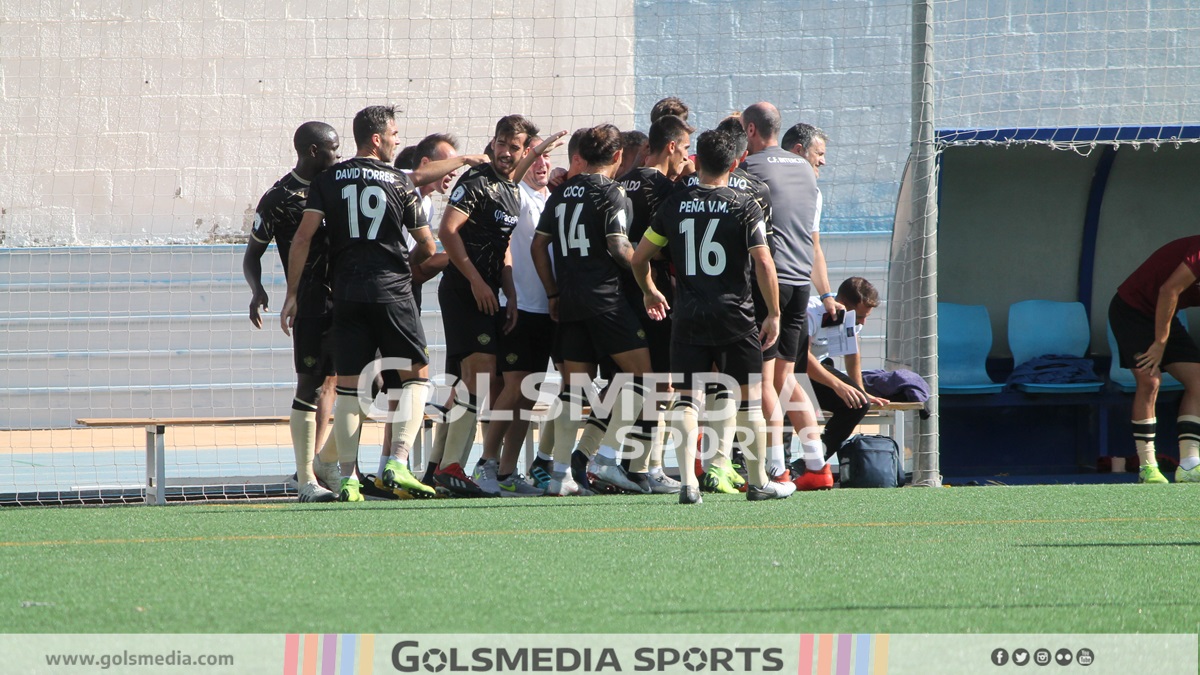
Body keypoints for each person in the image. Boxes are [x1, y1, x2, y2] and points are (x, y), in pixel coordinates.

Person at [281, 105, 437, 502]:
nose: (397, 140)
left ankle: (348, 478)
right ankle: (397, 461)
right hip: (392, 291)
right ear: (376, 138)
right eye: (395, 134)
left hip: (346, 294)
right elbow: (427, 244)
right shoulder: (399, 181)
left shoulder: (328, 179)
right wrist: (408, 269)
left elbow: (302, 238)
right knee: (417, 374)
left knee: (349, 390)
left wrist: (293, 294)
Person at [632, 127, 790, 504]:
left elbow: (639, 258)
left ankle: (687, 483)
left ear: (696, 161)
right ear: (735, 164)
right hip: (735, 315)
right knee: (750, 400)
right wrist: (774, 313)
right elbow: (765, 262)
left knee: (687, 399)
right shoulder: (744, 203)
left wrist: (649, 290)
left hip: (688, 316)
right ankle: (757, 483)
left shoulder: (673, 204)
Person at [435, 115, 564, 497]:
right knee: (479, 377)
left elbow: (503, 245)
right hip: (464, 291)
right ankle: (450, 466)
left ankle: (448, 467)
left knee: (480, 380)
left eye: (514, 147)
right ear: (492, 143)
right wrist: (476, 281)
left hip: (493, 294)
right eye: (501, 144)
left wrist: (507, 290)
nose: (506, 153)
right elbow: (447, 231)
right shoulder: (475, 181)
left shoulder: (507, 189)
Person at [532, 123, 654, 497]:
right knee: (644, 378)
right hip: (605, 300)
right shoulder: (612, 192)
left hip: (569, 301)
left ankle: (559, 475)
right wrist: (647, 277)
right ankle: (606, 458)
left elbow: (539, 247)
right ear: (618, 157)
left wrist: (553, 293)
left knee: (574, 390)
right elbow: (619, 247)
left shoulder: (562, 193)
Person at [741, 101, 840, 490]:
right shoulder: (806, 173)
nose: (823, 162)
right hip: (800, 284)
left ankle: (776, 467)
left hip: (770, 282)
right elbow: (813, 243)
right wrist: (826, 292)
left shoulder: (748, 170)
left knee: (764, 380)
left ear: (750, 131)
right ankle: (817, 465)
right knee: (785, 379)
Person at [243, 121, 344, 502]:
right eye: (334, 148)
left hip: (350, 299)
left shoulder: (340, 184)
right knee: (312, 385)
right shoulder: (279, 198)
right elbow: (252, 255)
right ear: (313, 151)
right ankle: (306, 479)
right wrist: (259, 291)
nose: (340, 153)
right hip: (310, 303)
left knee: (366, 381)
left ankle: (326, 460)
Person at [616, 114, 696, 494]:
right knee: (660, 383)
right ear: (670, 146)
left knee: (633, 381)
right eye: (684, 148)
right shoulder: (665, 189)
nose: (686, 156)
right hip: (654, 288)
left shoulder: (621, 179)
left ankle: (636, 465)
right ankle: (638, 465)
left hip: (620, 288)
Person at [474, 135, 557, 497]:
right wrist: (530, 154)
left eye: (547, 157)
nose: (542, 163)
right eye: (536, 156)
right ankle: (486, 463)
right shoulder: (515, 194)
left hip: (545, 307)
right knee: (513, 386)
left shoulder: (549, 198)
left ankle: (508, 471)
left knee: (530, 392)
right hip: (519, 306)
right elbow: (510, 179)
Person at [1110, 236, 1200, 483]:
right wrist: (1160, 344)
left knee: (1198, 381)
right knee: (1150, 381)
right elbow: (1168, 290)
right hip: (1132, 311)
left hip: (1165, 315)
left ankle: (1191, 465)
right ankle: (1147, 467)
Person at [796, 277, 889, 478]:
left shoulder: (852, 318)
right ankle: (776, 467)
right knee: (788, 409)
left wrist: (860, 390)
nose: (863, 322)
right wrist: (837, 385)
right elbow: (802, 360)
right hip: (790, 371)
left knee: (858, 403)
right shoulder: (810, 313)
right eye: (860, 317)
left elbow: (852, 353)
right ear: (842, 305)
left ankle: (810, 462)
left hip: (818, 370)